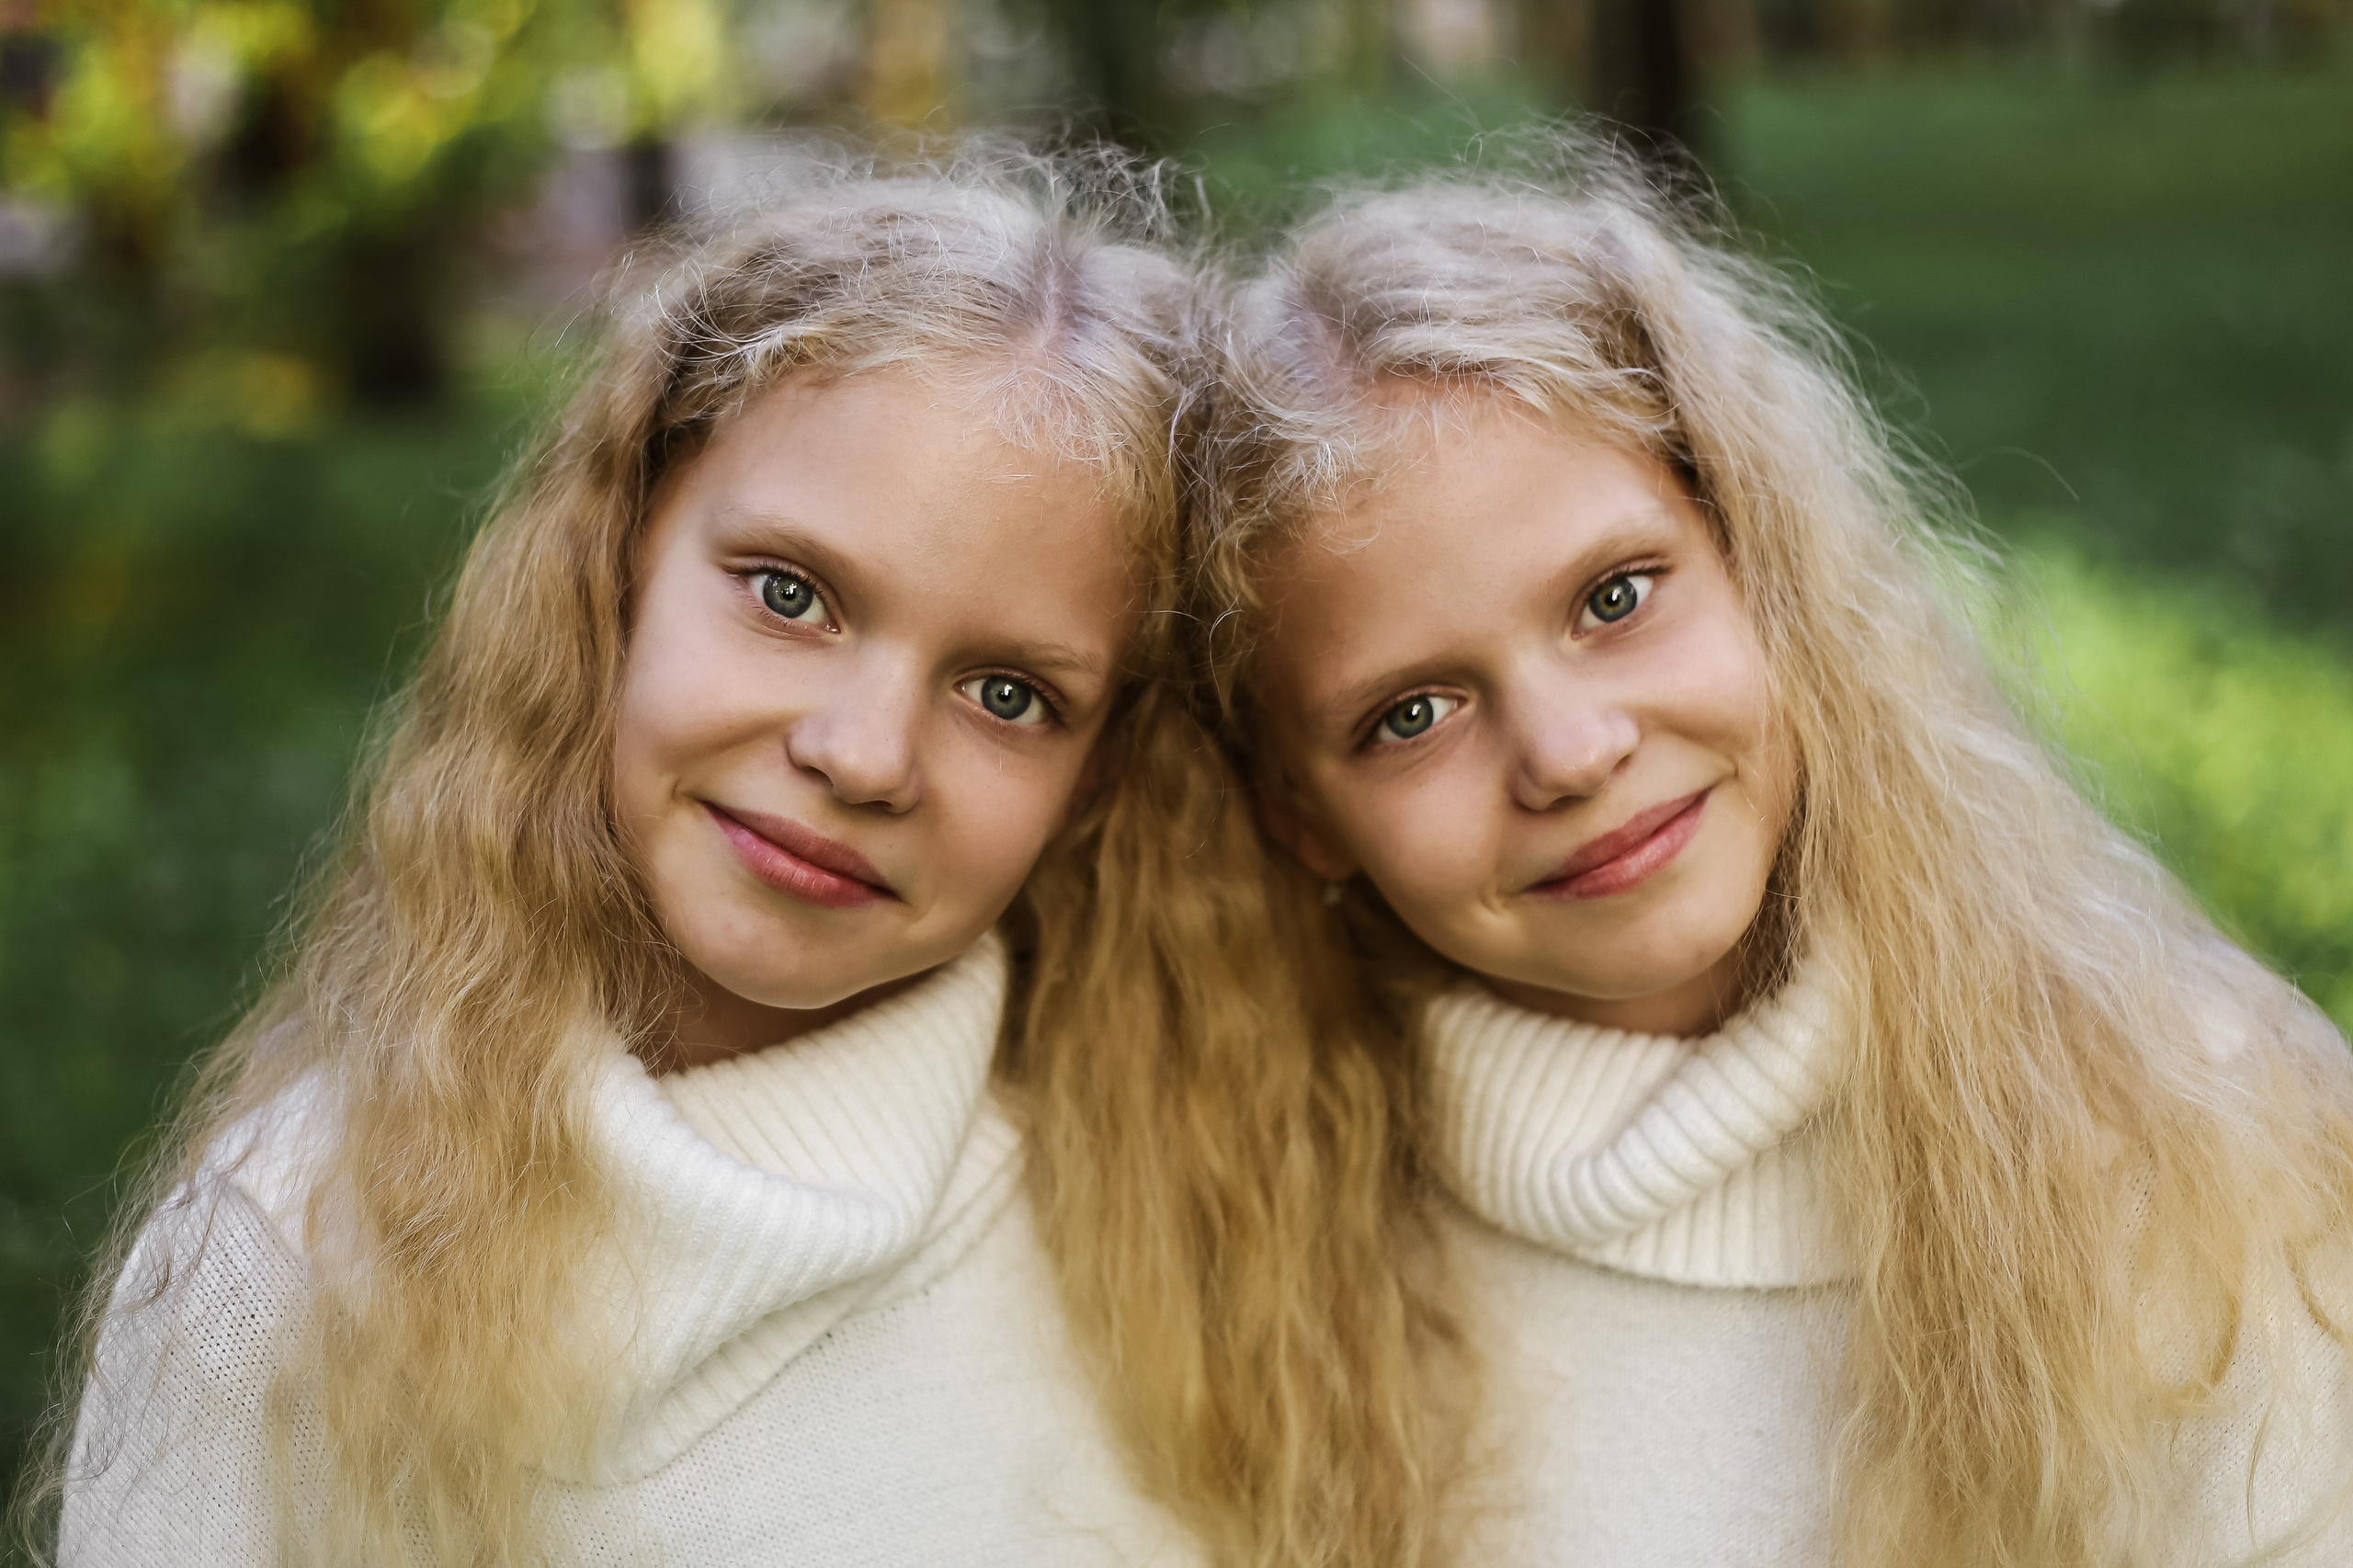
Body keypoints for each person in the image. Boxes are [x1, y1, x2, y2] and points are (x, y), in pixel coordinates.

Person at [36, 145, 1459, 1568]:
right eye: (792, 595)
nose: (864, 753)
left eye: (1009, 694)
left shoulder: (1213, 1228)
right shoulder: (293, 1253)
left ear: (1101, 776)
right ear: (619, 563)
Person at [1190, 138, 2353, 1566]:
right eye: (1410, 713)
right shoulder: (1229, 1248)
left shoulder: (2184, 1136)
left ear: (1766, 561)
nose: (1568, 750)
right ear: (1297, 808)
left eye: (1615, 596)